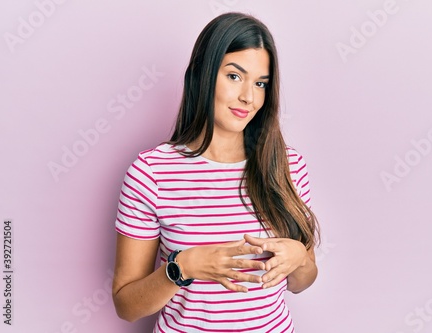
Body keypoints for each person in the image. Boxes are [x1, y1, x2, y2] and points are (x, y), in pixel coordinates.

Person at [112, 12, 320, 333]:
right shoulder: (151, 172)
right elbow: (126, 306)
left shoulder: (288, 166)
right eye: (234, 76)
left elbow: (301, 282)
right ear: (203, 74)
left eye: (260, 83)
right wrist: (184, 266)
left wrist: (299, 258)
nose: (248, 97)